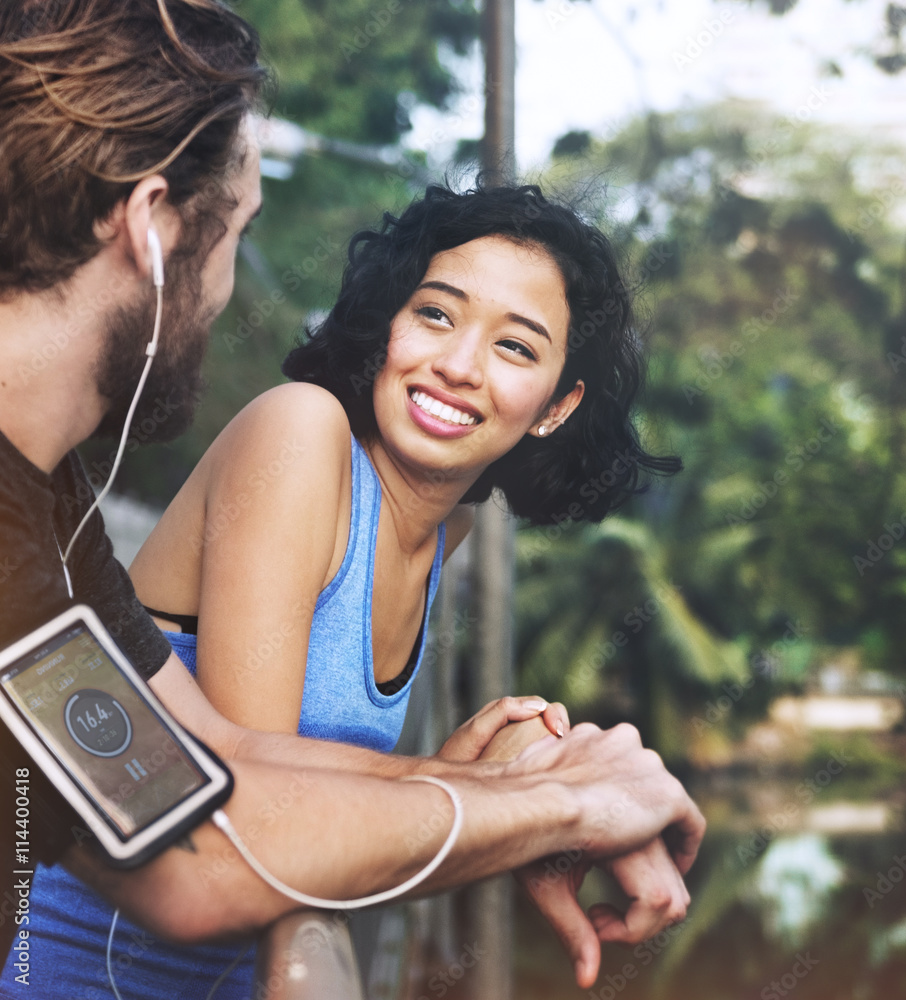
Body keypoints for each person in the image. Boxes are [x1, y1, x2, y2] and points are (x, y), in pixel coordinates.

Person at [0, 0, 705, 994]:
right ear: (154, 229)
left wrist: (528, 779)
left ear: (558, 401)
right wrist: (568, 806)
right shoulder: (286, 440)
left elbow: (209, 765)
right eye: (235, 229)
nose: (229, 286)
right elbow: (211, 848)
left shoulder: (47, 508)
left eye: (513, 344)